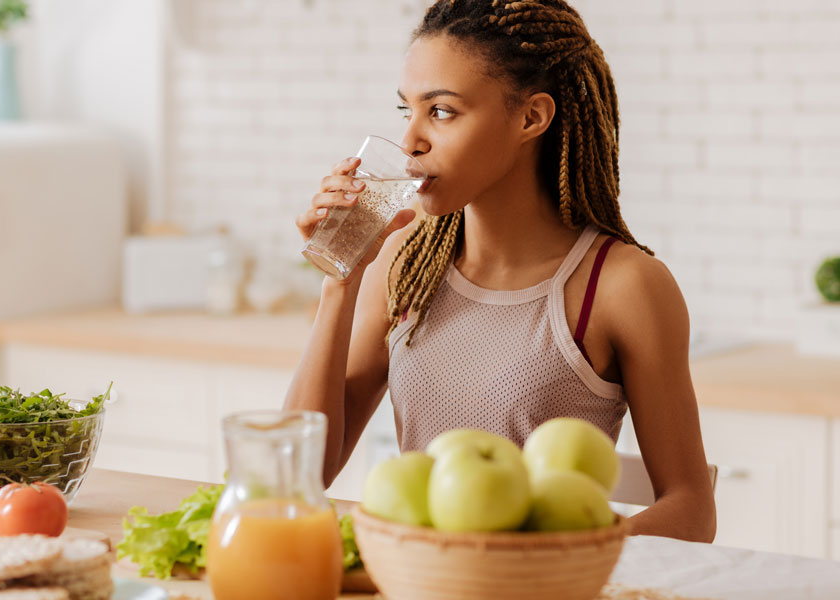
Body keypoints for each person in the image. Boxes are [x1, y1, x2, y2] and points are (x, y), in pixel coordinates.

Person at [285, 0, 716, 543]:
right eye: (406, 111)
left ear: (531, 117)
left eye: (441, 111)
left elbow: (691, 510)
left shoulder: (622, 285)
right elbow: (301, 475)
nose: (411, 141)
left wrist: (545, 561)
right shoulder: (403, 261)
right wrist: (339, 281)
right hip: (424, 580)